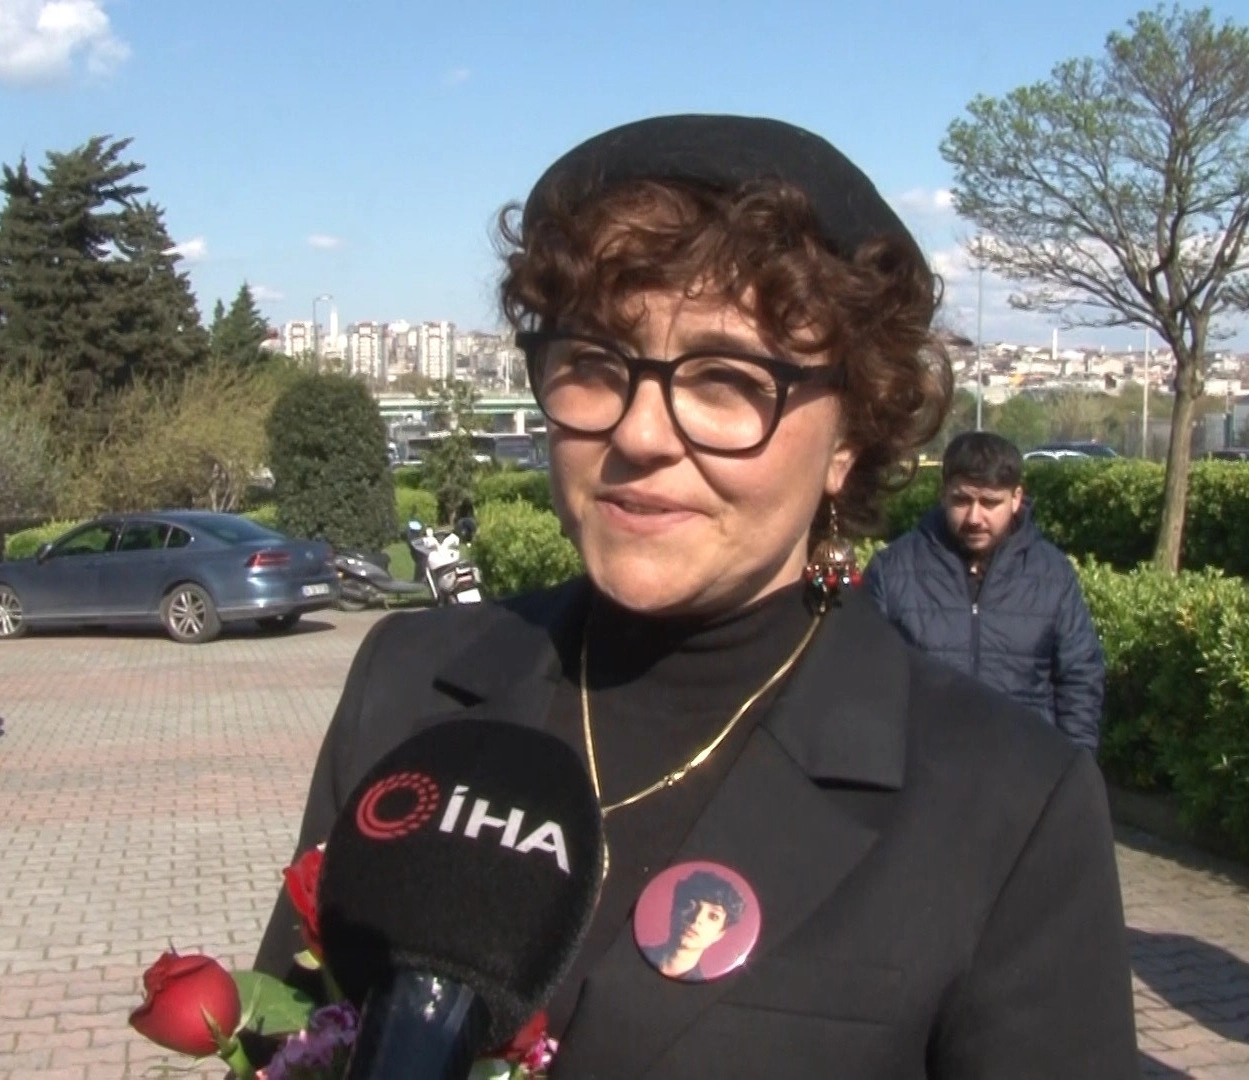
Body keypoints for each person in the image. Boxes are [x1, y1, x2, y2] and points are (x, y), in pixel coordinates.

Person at [255, 114, 1137, 1077]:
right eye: (595, 364)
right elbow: (282, 1039)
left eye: (725, 380)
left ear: (851, 438)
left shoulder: (1003, 801)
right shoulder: (408, 687)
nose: (639, 434)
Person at [864, 431, 1106, 753]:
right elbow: (867, 679)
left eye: (990, 502)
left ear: (1016, 498)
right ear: (943, 494)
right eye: (962, 500)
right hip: (924, 769)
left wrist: (1077, 768)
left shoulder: (1052, 575)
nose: (974, 518)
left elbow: (1080, 677)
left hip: (1023, 770)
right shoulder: (892, 571)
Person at [640, 869, 746, 982]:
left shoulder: (703, 990)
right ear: (674, 910)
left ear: (719, 934)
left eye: (713, 916)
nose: (697, 919)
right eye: (690, 905)